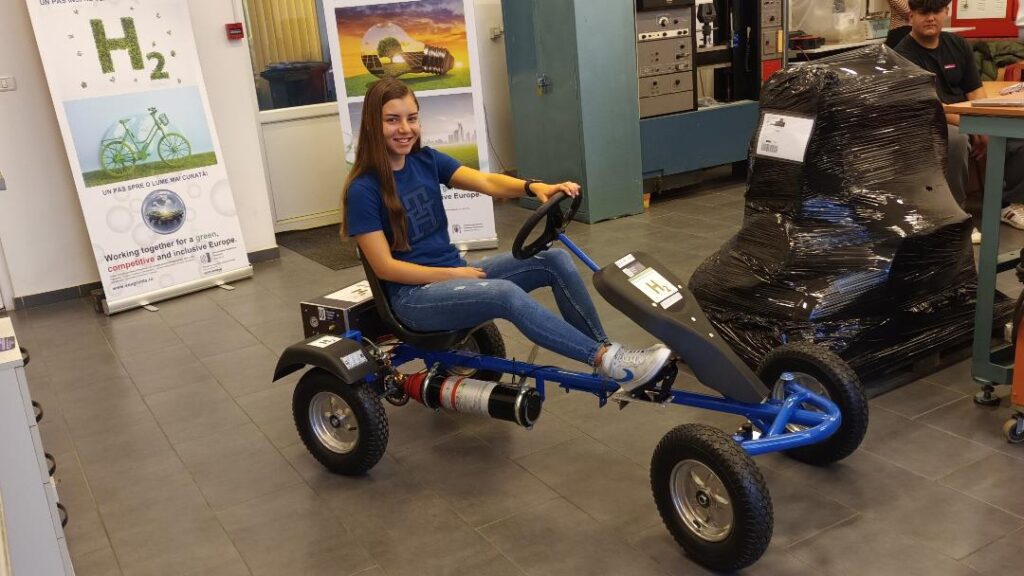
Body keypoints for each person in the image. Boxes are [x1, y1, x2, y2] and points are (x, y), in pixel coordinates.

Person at [343, 77, 671, 391]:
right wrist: (452, 274)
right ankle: (606, 359)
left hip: (453, 275)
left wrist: (534, 187)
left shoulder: (426, 160)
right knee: (505, 294)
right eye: (392, 120)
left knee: (554, 260)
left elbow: (487, 182)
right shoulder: (363, 189)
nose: (405, 129)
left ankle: (608, 356)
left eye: (412, 118)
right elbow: (385, 267)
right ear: (372, 124)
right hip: (414, 299)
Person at [896, 0, 1024, 239]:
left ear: (946, 12)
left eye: (936, 11)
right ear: (911, 16)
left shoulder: (958, 45)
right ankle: (955, 218)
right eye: (924, 12)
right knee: (955, 139)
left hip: (964, 115)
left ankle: (1003, 203)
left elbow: (975, 90)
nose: (931, 18)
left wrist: (984, 122)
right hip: (929, 120)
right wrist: (973, 126)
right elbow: (931, 107)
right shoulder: (902, 55)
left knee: (1015, 132)